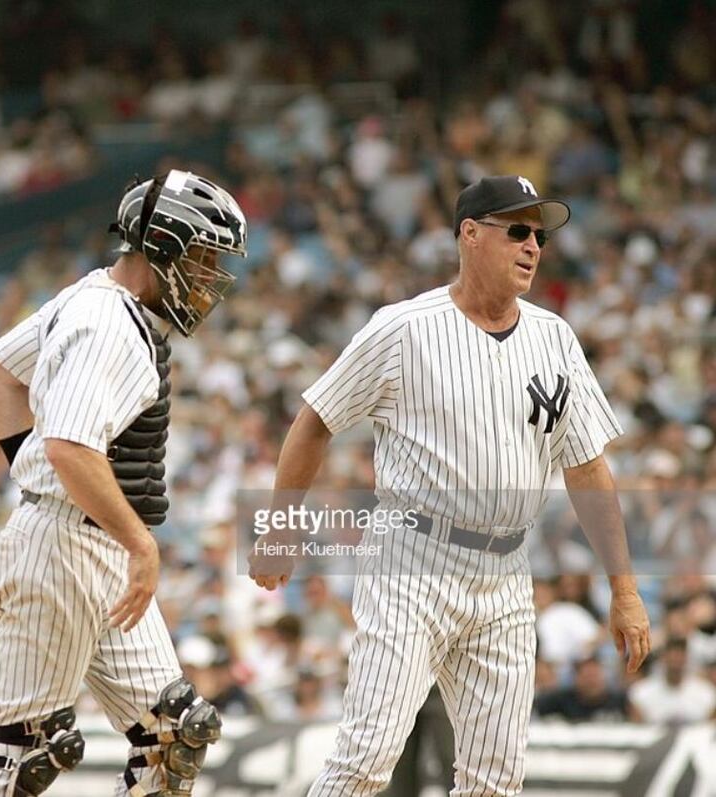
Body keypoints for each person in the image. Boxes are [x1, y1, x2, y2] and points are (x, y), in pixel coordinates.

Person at [251, 175, 652, 795]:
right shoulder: (403, 328)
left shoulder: (555, 337)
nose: (532, 246)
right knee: (366, 761)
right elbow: (314, 422)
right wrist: (279, 530)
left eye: (539, 235)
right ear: (470, 234)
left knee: (496, 781)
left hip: (507, 573)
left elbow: (587, 466)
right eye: (516, 230)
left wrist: (623, 589)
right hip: (412, 560)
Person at [0, 170, 247, 796]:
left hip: (85, 541)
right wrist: (135, 541)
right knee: (23, 755)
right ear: (164, 245)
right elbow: (68, 445)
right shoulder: (108, 325)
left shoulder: (92, 296)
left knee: (174, 736)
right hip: (69, 548)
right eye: (201, 257)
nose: (209, 278)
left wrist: (30, 470)